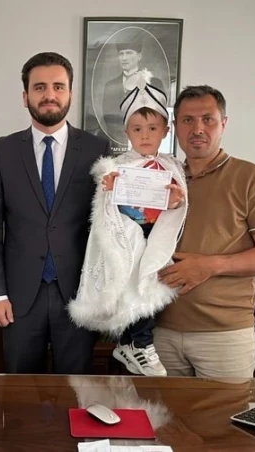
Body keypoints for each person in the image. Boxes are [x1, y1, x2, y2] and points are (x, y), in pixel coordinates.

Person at [0, 52, 111, 374]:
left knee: (77, 388)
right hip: (18, 298)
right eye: (39, 87)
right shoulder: (3, 151)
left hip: (79, 295)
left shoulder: (96, 149)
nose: (49, 95)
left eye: (58, 87)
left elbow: (108, 225)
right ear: (25, 96)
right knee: (20, 389)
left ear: (70, 94)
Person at [154, 85, 255, 378]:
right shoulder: (161, 177)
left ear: (223, 124)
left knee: (223, 410)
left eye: (208, 119)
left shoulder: (252, 178)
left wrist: (209, 266)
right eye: (188, 120)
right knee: (161, 410)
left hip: (223, 336)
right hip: (159, 330)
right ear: (175, 127)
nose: (197, 129)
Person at [69, 77, 187, 376]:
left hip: (156, 236)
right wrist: (109, 190)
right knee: (130, 290)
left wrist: (175, 202)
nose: (145, 135)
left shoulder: (172, 166)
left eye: (152, 129)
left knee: (150, 289)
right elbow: (104, 208)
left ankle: (133, 344)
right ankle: (137, 344)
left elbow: (178, 205)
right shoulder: (119, 166)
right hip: (128, 236)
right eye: (137, 129)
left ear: (165, 131)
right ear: (127, 132)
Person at [101, 36, 166, 145]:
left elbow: (158, 118)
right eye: (121, 54)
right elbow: (108, 118)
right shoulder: (110, 86)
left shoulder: (155, 83)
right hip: (119, 141)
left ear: (139, 56)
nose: (124, 58)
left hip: (147, 141)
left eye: (129, 53)